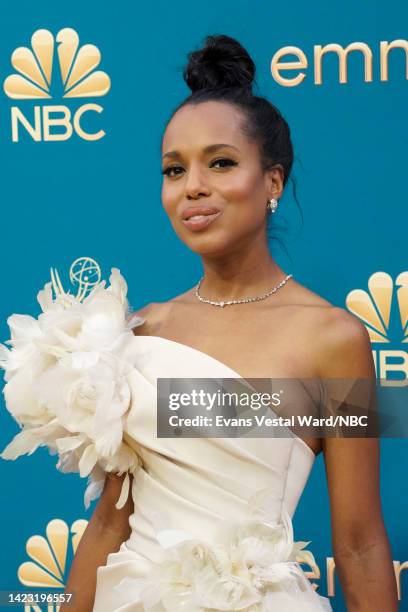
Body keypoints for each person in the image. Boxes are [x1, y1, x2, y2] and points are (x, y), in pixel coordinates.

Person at [8, 34, 397, 611]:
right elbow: (110, 525)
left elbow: (360, 544)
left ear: (272, 182)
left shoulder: (332, 339)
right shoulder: (140, 330)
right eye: (174, 169)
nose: (193, 186)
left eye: (220, 162)